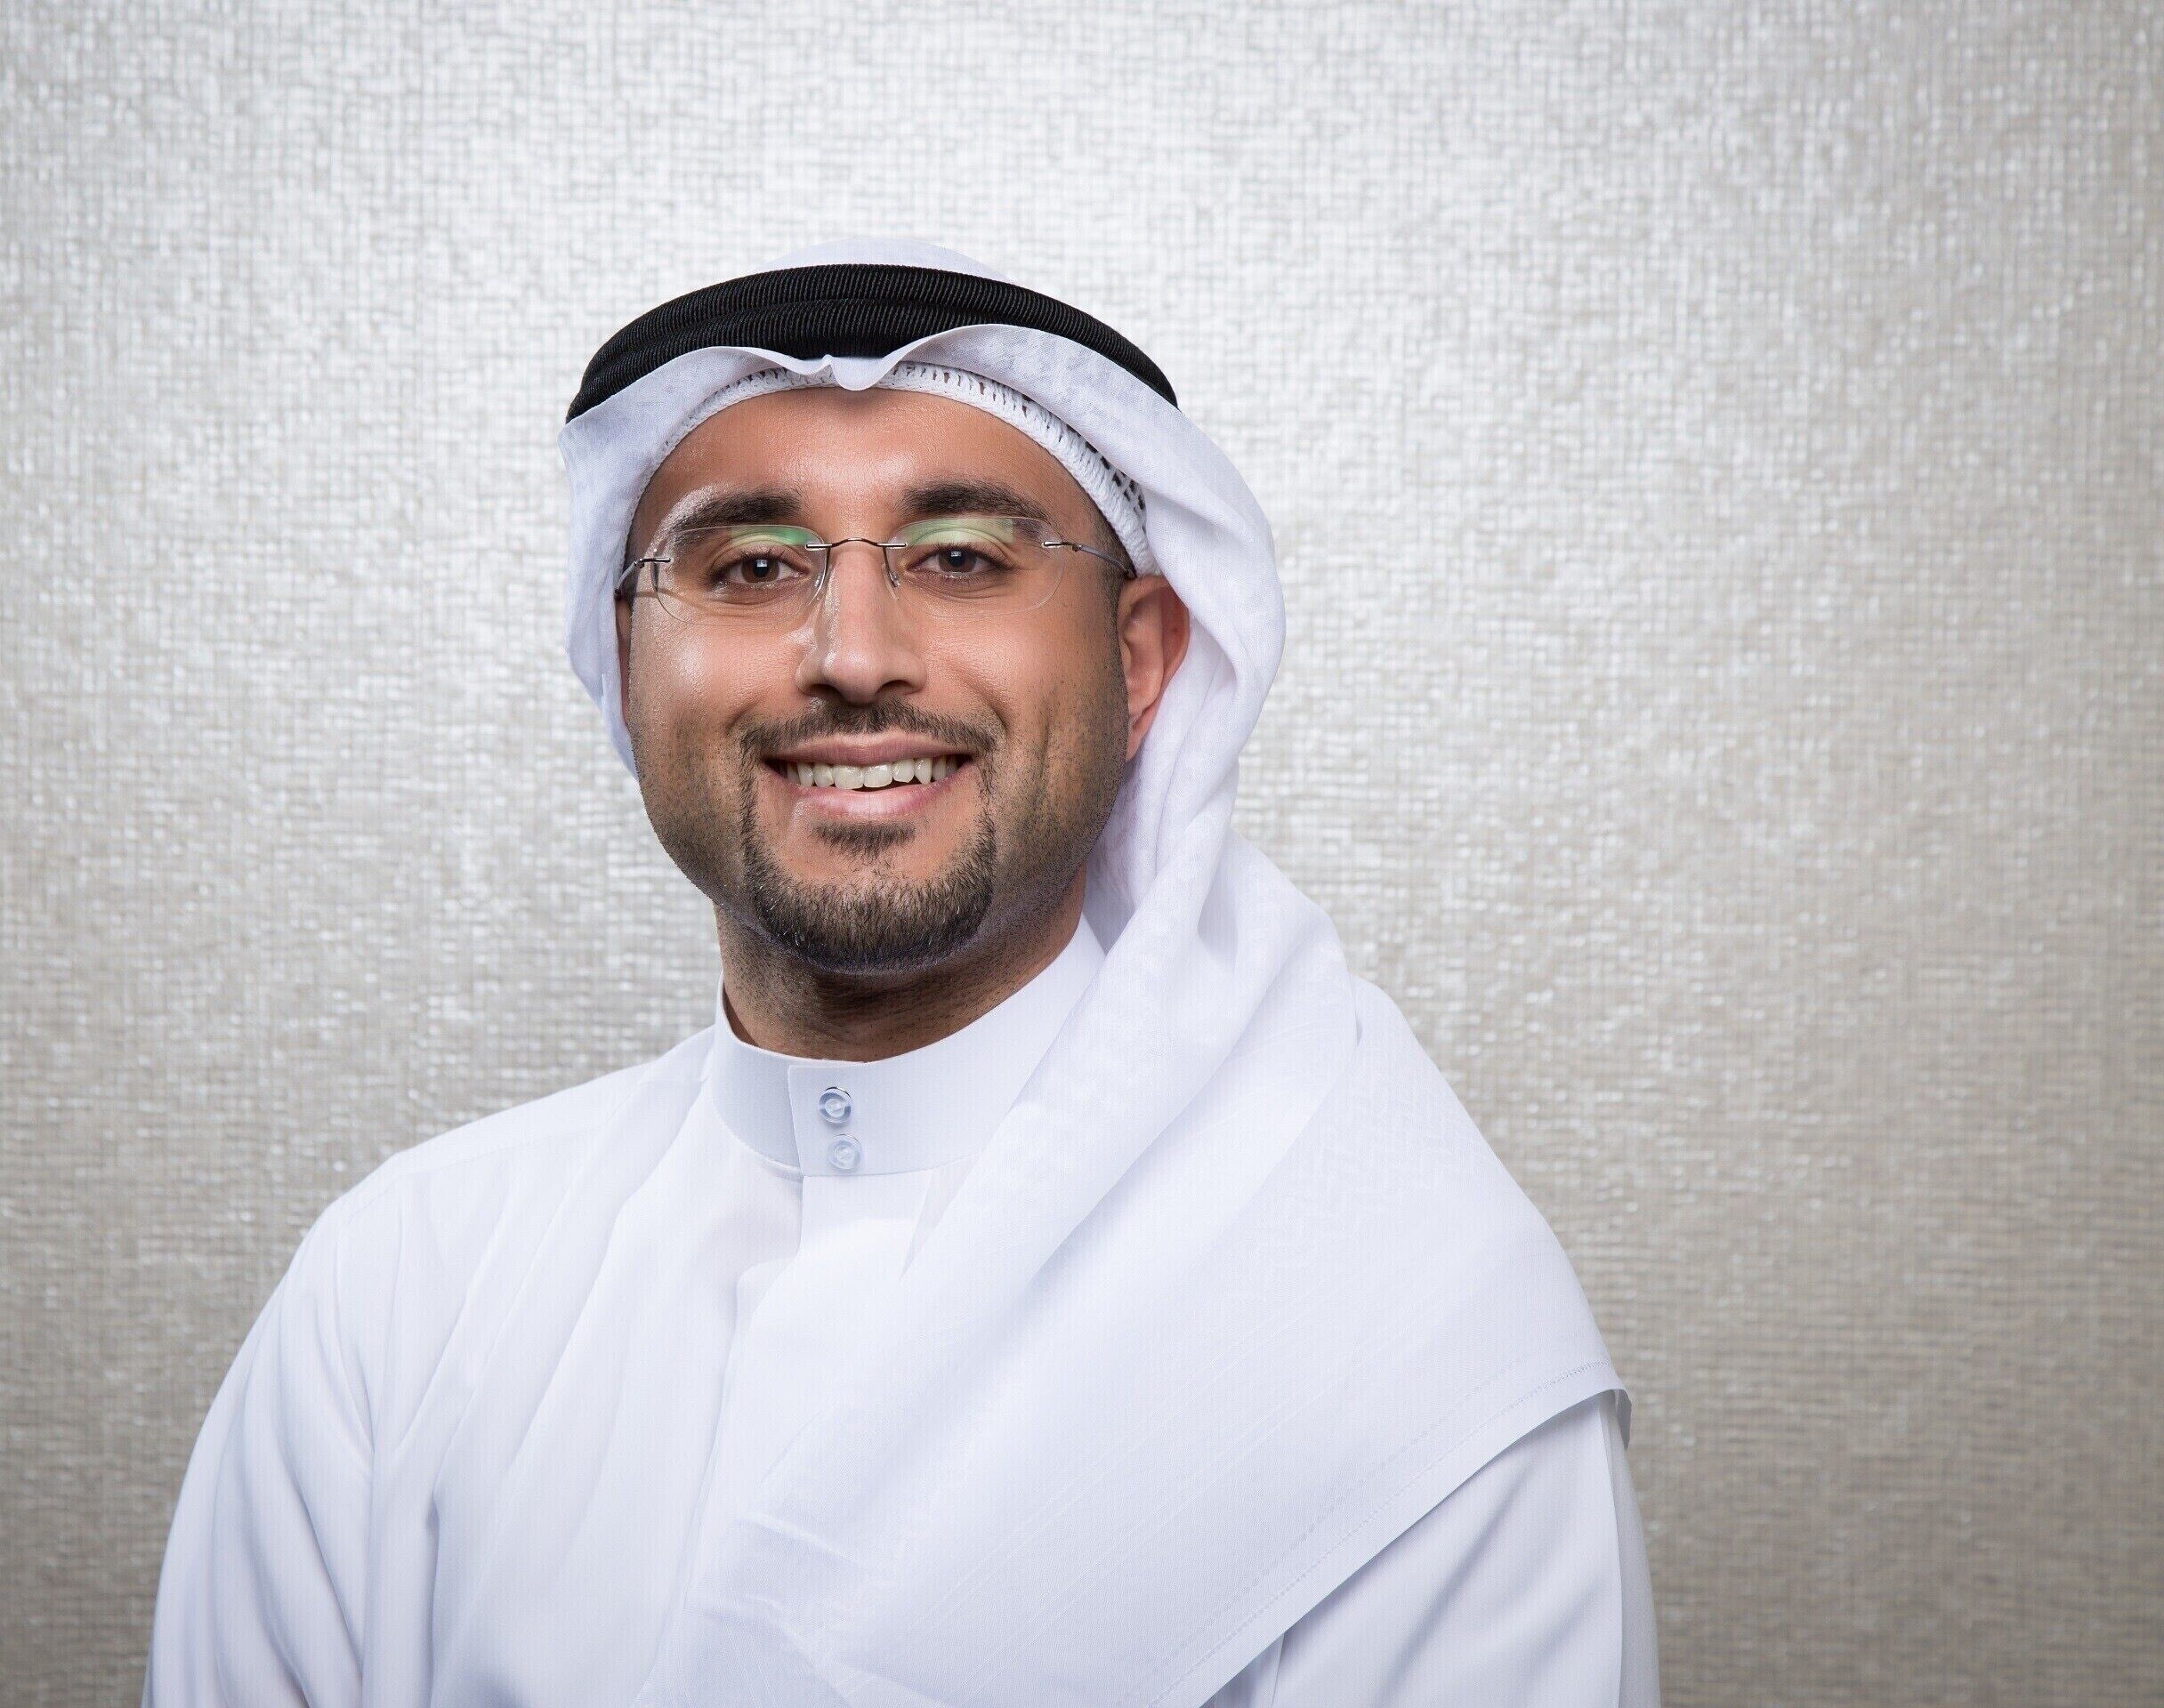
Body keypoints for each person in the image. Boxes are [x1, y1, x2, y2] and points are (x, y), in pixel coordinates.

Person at [142, 239, 1659, 1707]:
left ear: (1139, 663)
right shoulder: (401, 1294)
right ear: (626, 658)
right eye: (751, 565)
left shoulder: (1409, 1334)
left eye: (960, 559)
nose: (854, 652)